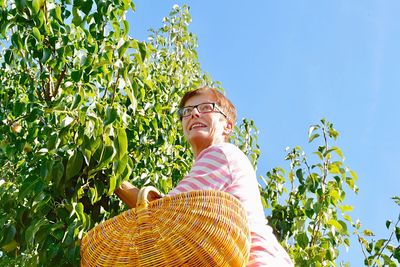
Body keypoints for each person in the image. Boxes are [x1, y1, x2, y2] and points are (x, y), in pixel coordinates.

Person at [115, 86, 293, 266]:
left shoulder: (221, 153)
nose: (194, 114)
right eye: (187, 111)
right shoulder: (213, 162)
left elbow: (160, 213)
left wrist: (110, 176)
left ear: (227, 126)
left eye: (206, 107)